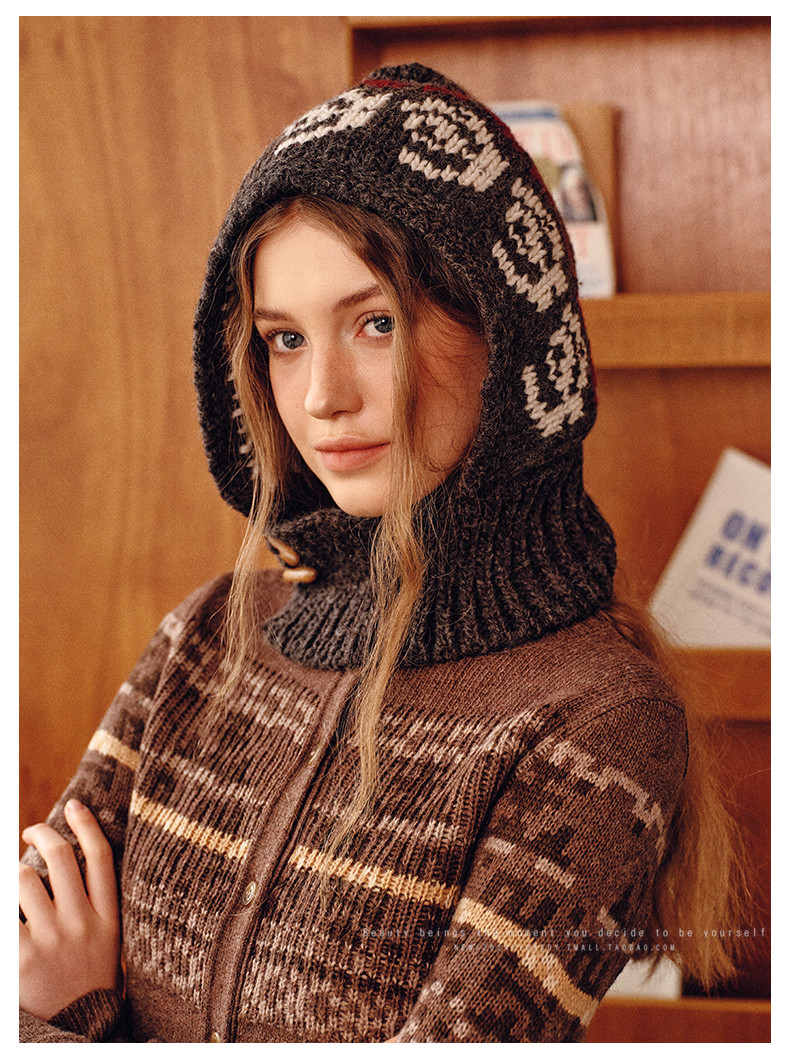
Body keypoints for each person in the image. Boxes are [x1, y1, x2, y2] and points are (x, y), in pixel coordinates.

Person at [19, 64, 744, 1043]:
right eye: (284, 339)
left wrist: (70, 1019)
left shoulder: (600, 721)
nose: (322, 395)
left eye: (375, 324)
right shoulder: (207, 636)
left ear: (506, 336)